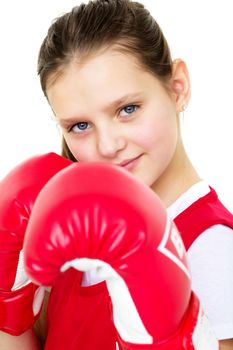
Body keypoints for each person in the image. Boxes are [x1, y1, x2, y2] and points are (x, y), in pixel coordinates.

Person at [0, 0, 232, 348]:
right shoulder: (69, 232)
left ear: (177, 87)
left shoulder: (212, 251)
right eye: (80, 125)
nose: (107, 146)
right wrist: (9, 317)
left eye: (127, 109)